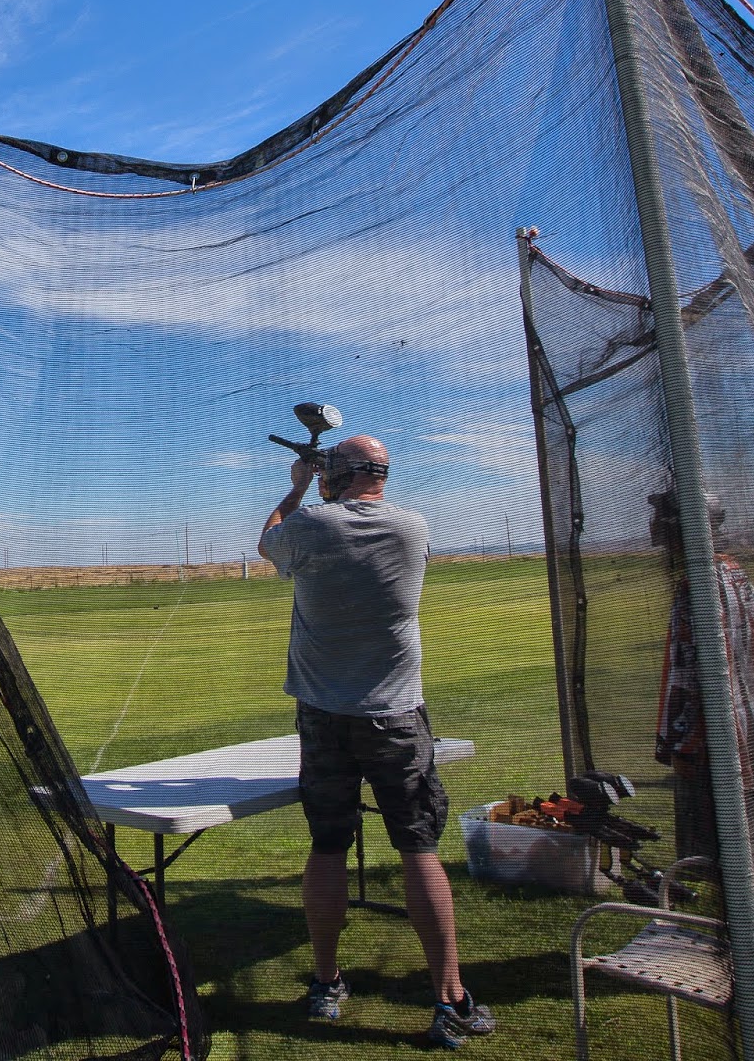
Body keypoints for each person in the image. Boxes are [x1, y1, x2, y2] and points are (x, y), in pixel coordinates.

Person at [258, 434, 495, 1050]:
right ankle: (450, 998)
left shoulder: (312, 524)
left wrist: (300, 482)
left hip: (325, 717)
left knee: (329, 845)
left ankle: (326, 981)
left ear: (340, 474)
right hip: (396, 714)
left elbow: (268, 540)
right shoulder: (413, 527)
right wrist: (328, 476)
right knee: (418, 848)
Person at [651, 490, 754, 865]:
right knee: (747, 832)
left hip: (716, 738)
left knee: (716, 848)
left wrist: (685, 739)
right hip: (738, 726)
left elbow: (702, 671)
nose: (652, 529)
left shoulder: (702, 583)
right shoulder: (730, 572)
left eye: (661, 519)